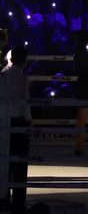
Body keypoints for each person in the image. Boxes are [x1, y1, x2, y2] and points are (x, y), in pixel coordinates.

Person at [2, 46, 31, 213]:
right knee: (20, 165)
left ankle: (5, 198)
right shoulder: (23, 78)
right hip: (20, 123)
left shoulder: (4, 76)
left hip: (6, 122)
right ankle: (19, 202)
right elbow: (25, 103)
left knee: (6, 164)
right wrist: (29, 122)